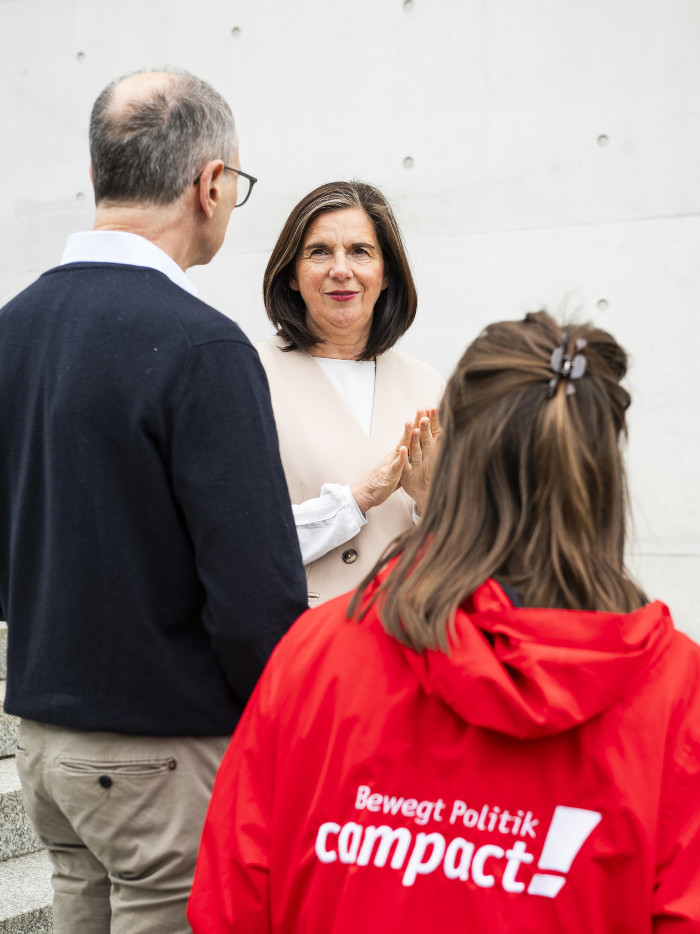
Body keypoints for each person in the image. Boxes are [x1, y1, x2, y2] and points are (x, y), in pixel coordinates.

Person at [188, 310, 700, 933]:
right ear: (602, 478)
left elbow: (229, 903)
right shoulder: (674, 697)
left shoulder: (315, 658)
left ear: (451, 460)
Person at [0, 69, 307, 934]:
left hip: (46, 740)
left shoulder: (10, 330)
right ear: (210, 183)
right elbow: (254, 593)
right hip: (163, 752)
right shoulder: (200, 345)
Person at [256, 180, 444, 607]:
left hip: (407, 638)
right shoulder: (249, 377)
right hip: (304, 640)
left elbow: (472, 546)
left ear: (386, 275)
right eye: (319, 251)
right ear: (291, 275)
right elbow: (237, 546)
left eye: (360, 251)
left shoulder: (429, 388)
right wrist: (356, 500)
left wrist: (430, 503)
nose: (341, 269)